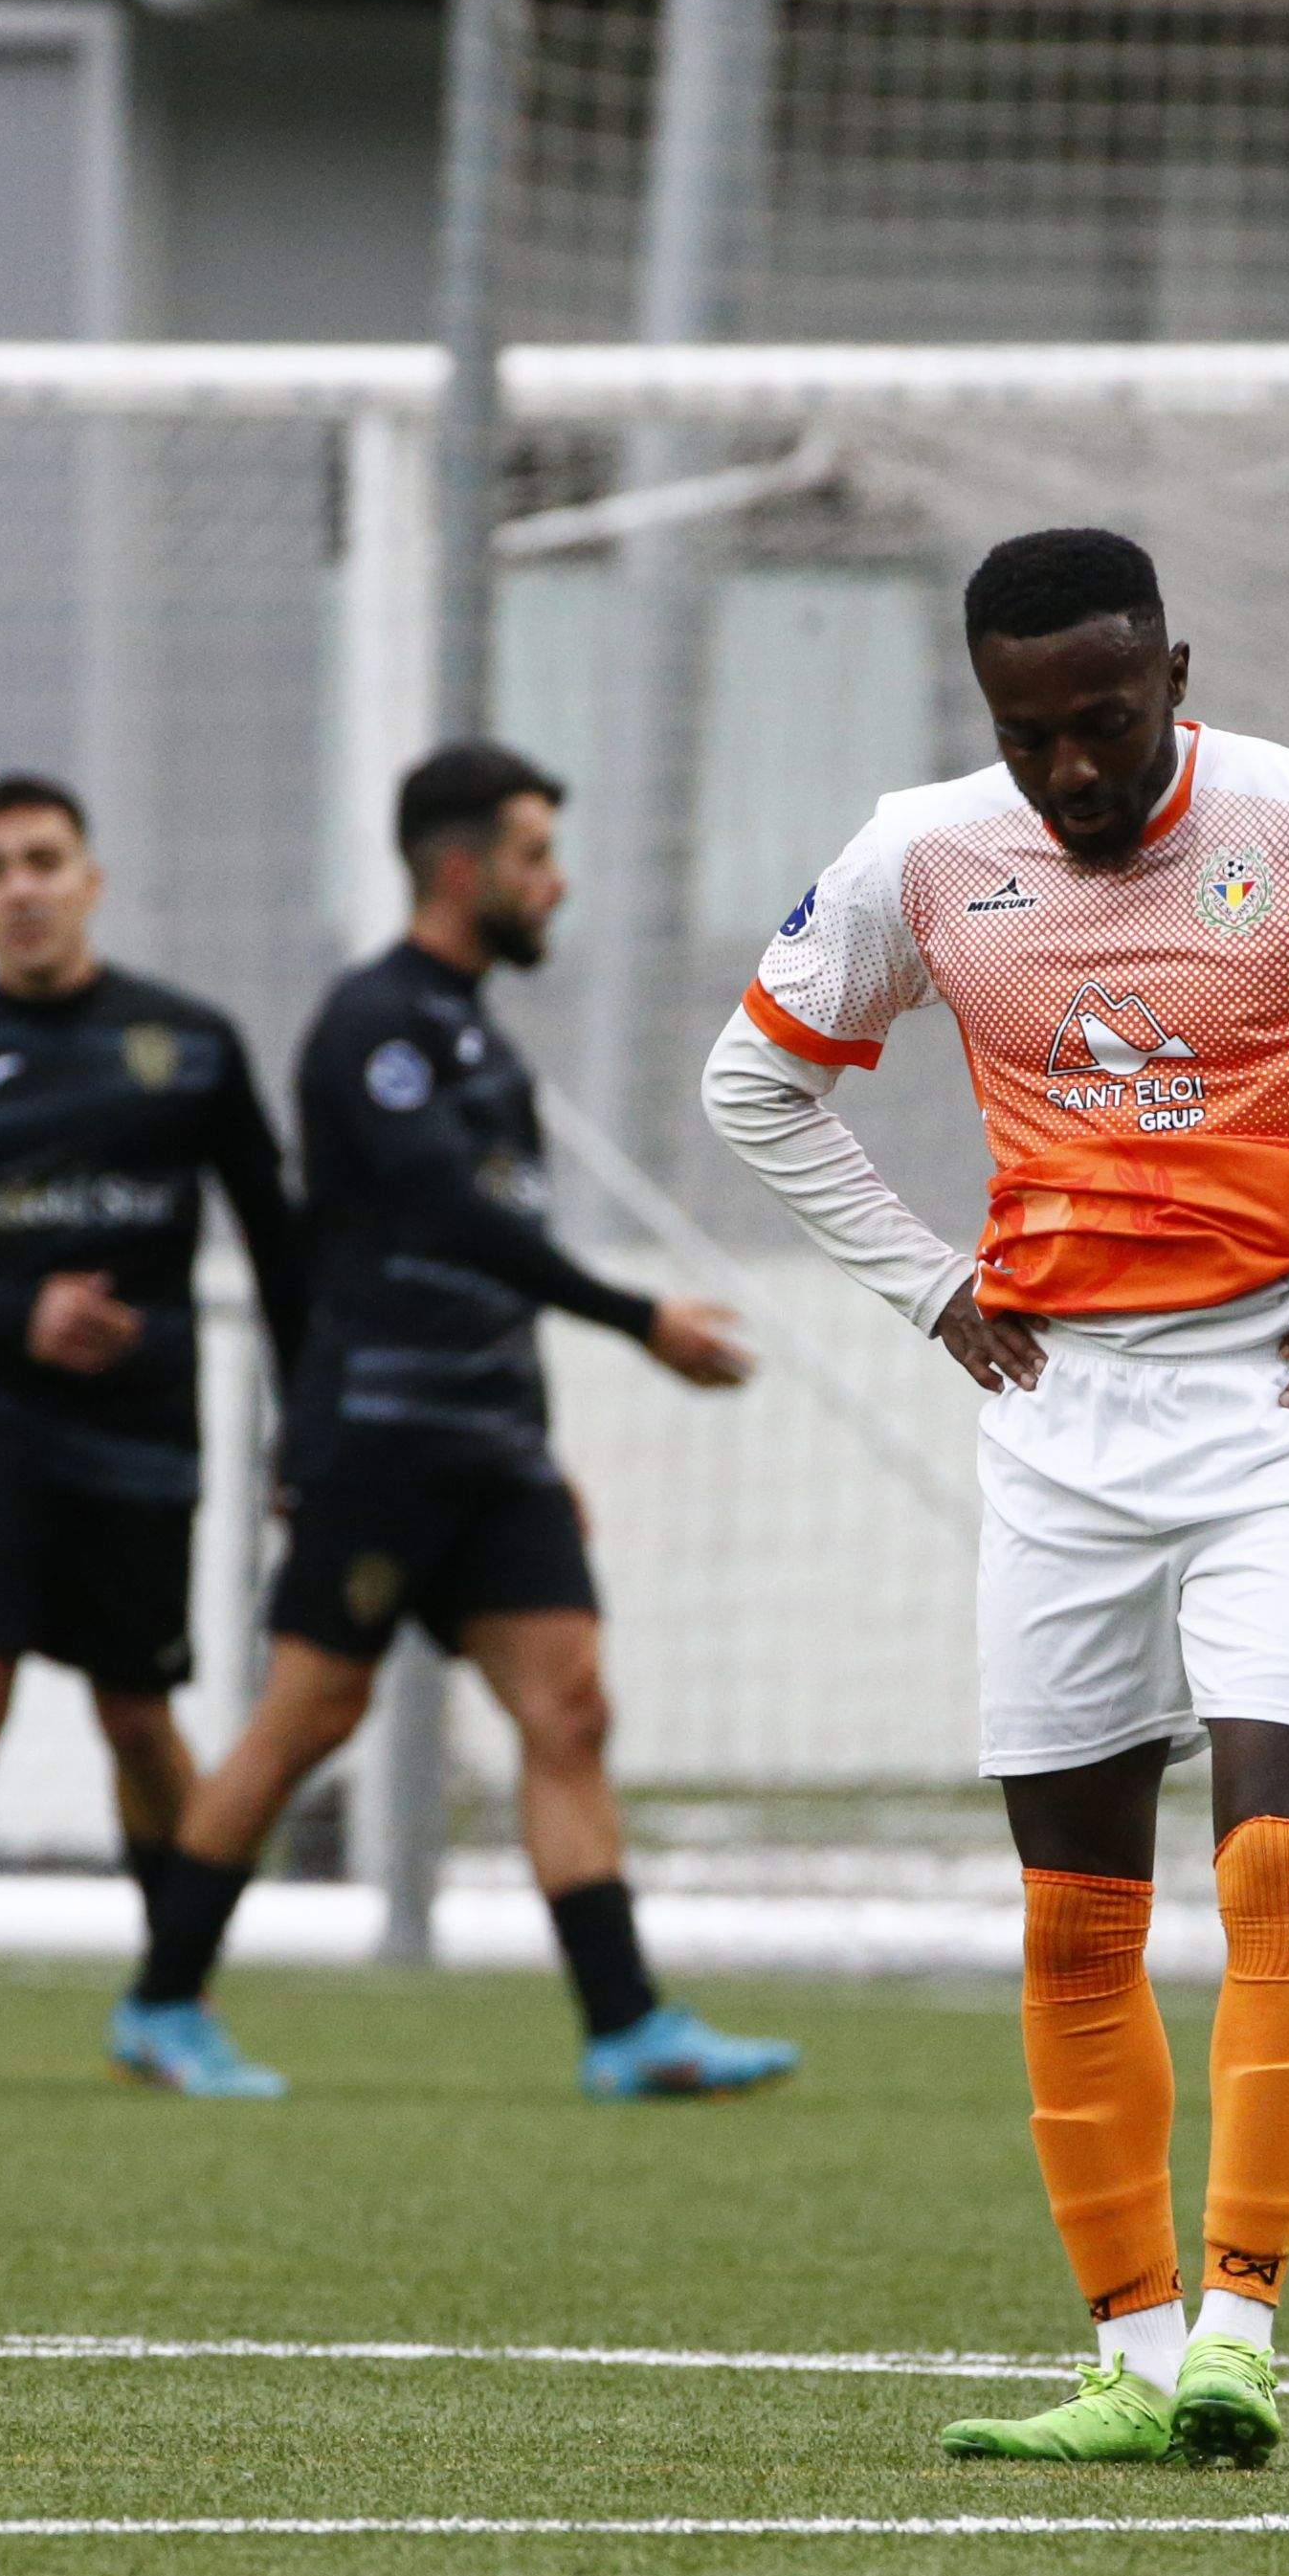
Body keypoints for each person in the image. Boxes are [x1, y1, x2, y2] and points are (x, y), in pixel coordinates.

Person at [703, 525, 1289, 2467]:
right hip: (1059, 1414)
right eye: (1030, 731)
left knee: (1274, 1850)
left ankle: (1241, 2326)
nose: (1072, 771)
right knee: (1074, 1905)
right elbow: (754, 1084)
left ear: (1177, 673)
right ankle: (1128, 2362)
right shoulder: (919, 855)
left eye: (1108, 720)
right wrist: (928, 1286)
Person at [111, 741, 795, 2103]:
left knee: (571, 1708)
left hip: (494, 1448)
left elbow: (501, 1251)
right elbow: (444, 1219)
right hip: (381, 1436)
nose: (560, 885)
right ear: (465, 868)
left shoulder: (479, 1033)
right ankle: (162, 2003)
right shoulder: (375, 1023)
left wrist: (542, 1436)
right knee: (309, 1715)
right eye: (538, 857)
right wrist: (635, 1321)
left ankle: (626, 2027)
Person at [0, 773, 304, 2093]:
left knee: (141, 1715)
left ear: (91, 877)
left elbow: (281, 1255)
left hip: (147, 1425)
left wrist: (304, 1431)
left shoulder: (192, 1044)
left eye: (44, 859)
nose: (21, 886)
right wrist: (16, 1311)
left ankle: (171, 1995)